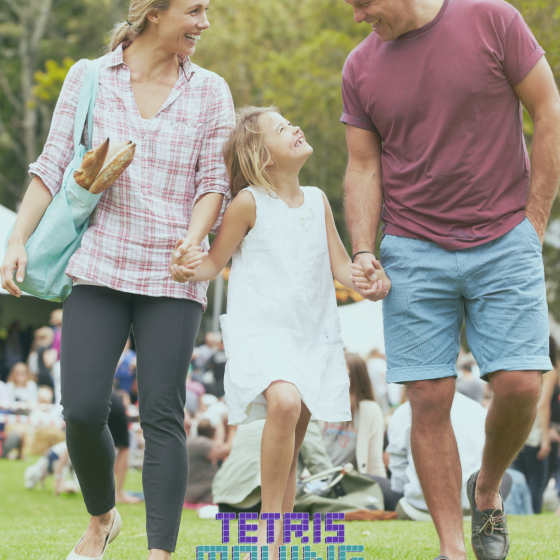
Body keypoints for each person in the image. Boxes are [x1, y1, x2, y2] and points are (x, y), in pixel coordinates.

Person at [0, 0, 235, 558]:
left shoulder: (210, 90)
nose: (204, 22)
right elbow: (51, 164)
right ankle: (102, 517)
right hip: (100, 263)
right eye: (194, 10)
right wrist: (16, 242)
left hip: (173, 271)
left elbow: (214, 181)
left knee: (161, 411)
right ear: (153, 13)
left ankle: (159, 553)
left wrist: (194, 238)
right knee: (80, 408)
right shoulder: (88, 77)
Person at [342, 0, 560, 558]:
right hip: (412, 248)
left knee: (521, 386)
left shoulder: (492, 19)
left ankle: (486, 486)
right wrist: (364, 248)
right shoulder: (360, 67)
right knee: (428, 396)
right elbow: (364, 165)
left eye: (363, 3)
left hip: (505, 235)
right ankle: (452, 547)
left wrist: (535, 220)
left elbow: (547, 107)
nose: (359, 15)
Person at [172, 105, 390, 560]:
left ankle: (280, 541)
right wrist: (189, 265)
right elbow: (214, 263)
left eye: (292, 121)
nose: (295, 126)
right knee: (285, 403)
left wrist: (368, 280)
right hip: (263, 331)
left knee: (292, 439)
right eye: (280, 128)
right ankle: (271, 537)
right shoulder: (248, 202)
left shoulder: (317, 200)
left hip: (311, 333)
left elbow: (342, 268)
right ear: (261, 155)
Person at [212, 418, 334, 514]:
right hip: (259, 501)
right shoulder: (303, 413)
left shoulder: (252, 414)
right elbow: (319, 465)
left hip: (225, 499)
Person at [511, 337, 559, 513]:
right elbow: (543, 404)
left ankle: (519, 512)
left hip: (518, 429)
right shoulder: (549, 370)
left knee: (521, 475)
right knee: (538, 479)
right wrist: (545, 438)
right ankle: (532, 513)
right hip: (535, 430)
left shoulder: (522, 367)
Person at [323, 353, 386, 477]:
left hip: (350, 483)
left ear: (357, 378)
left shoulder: (369, 410)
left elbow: (374, 461)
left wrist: (379, 491)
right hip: (317, 479)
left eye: (345, 375)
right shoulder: (323, 406)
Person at [185, 418, 234, 504]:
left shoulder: (191, 441)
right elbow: (228, 450)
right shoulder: (199, 443)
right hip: (204, 493)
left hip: (196, 492)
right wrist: (232, 428)